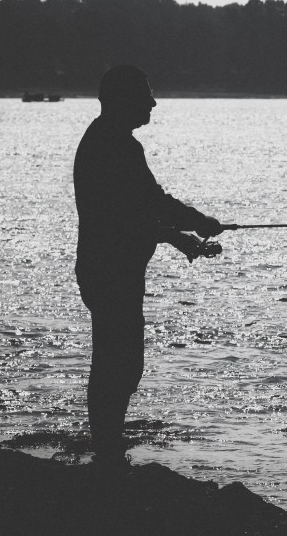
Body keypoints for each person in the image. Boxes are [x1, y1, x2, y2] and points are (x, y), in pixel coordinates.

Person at [73, 64, 223, 466]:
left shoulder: (108, 140)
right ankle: (107, 452)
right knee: (118, 363)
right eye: (146, 95)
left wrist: (184, 234)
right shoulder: (115, 145)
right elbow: (144, 207)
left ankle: (108, 446)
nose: (153, 103)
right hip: (111, 270)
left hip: (108, 267)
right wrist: (192, 224)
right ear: (124, 100)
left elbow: (138, 209)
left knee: (119, 361)